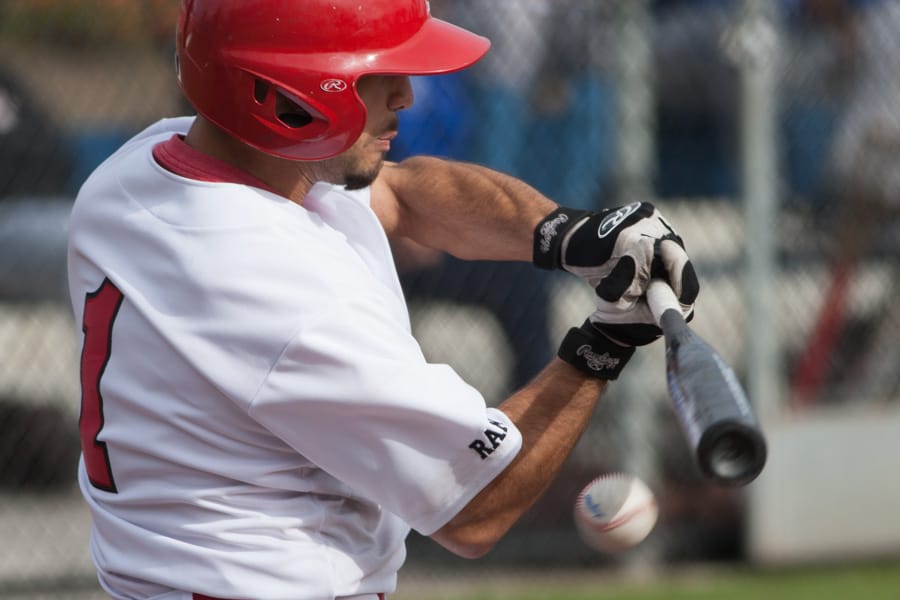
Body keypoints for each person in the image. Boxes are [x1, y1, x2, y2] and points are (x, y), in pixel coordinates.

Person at [66, 2, 699, 599]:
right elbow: (475, 507)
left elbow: (405, 195)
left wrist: (571, 236)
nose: (406, 94)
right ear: (287, 91)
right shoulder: (284, 288)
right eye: (377, 72)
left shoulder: (140, 171)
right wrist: (605, 342)